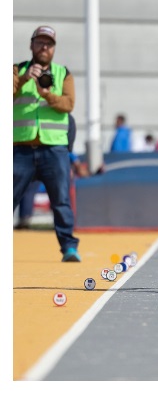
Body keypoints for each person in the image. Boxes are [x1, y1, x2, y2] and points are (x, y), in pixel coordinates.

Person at [13, 25, 81, 261]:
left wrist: (46, 94)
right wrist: (23, 79)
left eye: (48, 44)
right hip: (20, 148)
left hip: (54, 148)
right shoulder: (17, 70)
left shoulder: (63, 73)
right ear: (31, 45)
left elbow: (68, 104)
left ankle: (69, 248)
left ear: (54, 49)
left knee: (61, 200)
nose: (44, 47)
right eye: (40, 43)